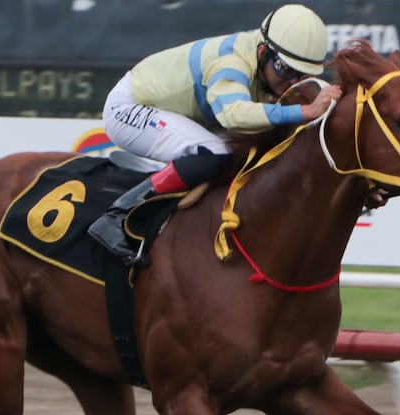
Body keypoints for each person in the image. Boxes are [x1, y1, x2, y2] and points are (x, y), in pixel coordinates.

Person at [88, 4, 343, 266]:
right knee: (214, 153)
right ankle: (119, 215)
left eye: (302, 75)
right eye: (285, 69)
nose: (292, 82)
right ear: (263, 52)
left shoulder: (264, 62)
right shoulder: (232, 60)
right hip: (130, 107)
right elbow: (232, 114)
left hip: (169, 111)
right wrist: (304, 111)